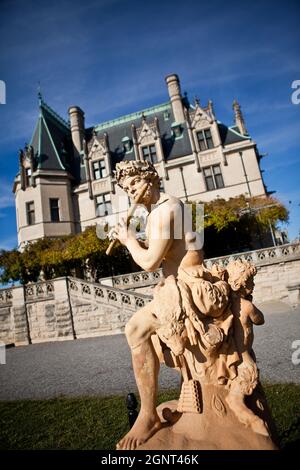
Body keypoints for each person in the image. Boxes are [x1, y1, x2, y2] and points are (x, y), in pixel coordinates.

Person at [110, 160, 203, 450]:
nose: (131, 193)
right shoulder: (168, 207)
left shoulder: (164, 211)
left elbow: (150, 263)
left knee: (135, 329)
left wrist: (127, 239)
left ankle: (148, 415)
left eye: (135, 184)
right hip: (180, 282)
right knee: (146, 333)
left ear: (150, 179)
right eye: (127, 189)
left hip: (187, 287)